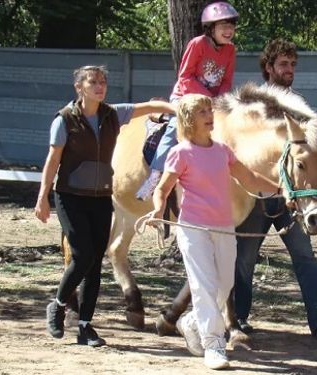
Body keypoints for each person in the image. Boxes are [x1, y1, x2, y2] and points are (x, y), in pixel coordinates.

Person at [35, 65, 176, 347]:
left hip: (101, 197)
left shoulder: (113, 114)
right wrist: (43, 197)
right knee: (83, 255)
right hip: (71, 196)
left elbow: (147, 106)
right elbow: (53, 161)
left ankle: (86, 326)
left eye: (102, 82)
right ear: (79, 87)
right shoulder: (64, 120)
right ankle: (59, 304)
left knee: (95, 263)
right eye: (93, 82)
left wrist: (175, 109)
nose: (100, 86)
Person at [148, 94, 281, 370]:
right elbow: (162, 189)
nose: (209, 115)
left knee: (223, 285)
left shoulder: (222, 151)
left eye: (209, 110)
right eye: (202, 112)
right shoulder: (180, 153)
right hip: (194, 229)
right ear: (188, 119)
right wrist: (159, 211)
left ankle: (192, 322)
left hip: (224, 227)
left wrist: (282, 191)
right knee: (204, 286)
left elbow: (250, 178)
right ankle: (214, 345)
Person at [233, 38, 317, 338]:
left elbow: (312, 149)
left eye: (293, 64)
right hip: (255, 196)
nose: (289, 70)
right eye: (283, 64)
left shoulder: (298, 106)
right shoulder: (250, 105)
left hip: (291, 201)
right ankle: (238, 318)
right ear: (268, 67)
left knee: (304, 255)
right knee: (243, 260)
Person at [136, 1, 238, 200]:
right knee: (175, 127)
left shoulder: (230, 50)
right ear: (210, 28)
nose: (229, 30)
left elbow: (226, 81)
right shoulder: (198, 44)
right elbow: (185, 77)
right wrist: (207, 98)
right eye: (223, 25)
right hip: (185, 96)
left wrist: (220, 101)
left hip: (213, 102)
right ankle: (156, 175)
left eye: (231, 26)